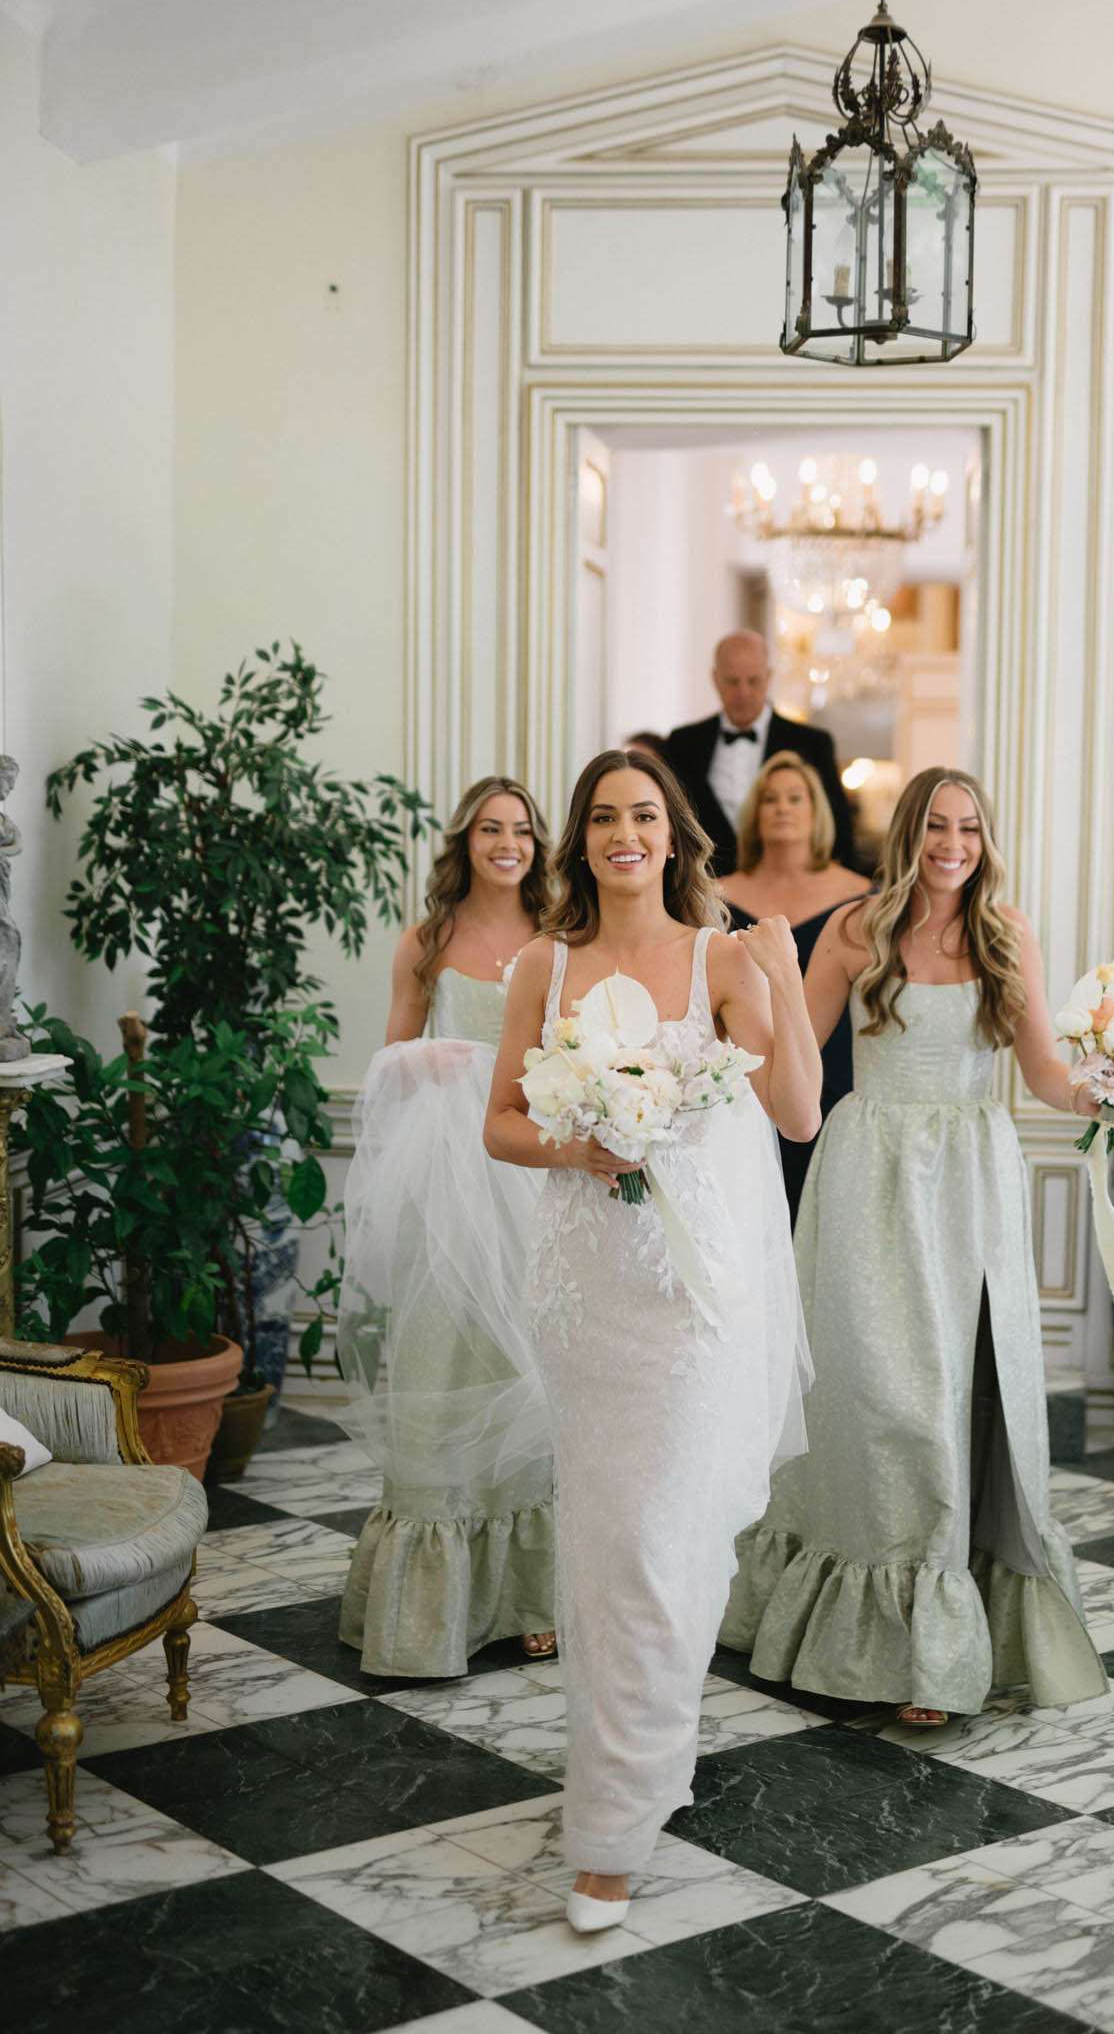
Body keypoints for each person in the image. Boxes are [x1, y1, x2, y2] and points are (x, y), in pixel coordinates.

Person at [485, 747, 820, 1934]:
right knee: (602, 1543)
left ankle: (614, 1830)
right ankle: (626, 1770)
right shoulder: (543, 962)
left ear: (674, 836)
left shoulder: (723, 956)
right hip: (588, 1302)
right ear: (579, 841)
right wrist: (583, 1143)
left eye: (645, 815)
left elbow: (796, 1112)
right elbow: (500, 1125)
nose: (625, 833)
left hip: (692, 1303)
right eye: (604, 817)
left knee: (661, 1551)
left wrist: (779, 980)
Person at [721, 767, 1111, 1727]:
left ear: (984, 838)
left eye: (969, 828)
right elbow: (793, 1062)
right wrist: (734, 1019)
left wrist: (1106, 1096)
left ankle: (939, 1629)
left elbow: (1045, 1072)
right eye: (937, 825)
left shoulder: (1005, 933)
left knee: (955, 1392)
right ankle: (880, 1629)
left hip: (973, 1178)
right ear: (909, 831)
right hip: (868, 1176)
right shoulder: (856, 929)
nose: (953, 844)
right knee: (878, 1395)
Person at [336, 778, 558, 1676]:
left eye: (522, 831)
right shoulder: (425, 943)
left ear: (539, 846)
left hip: (528, 1173)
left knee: (529, 1361)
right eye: (491, 830)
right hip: (446, 1172)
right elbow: (384, 1061)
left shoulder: (560, 938)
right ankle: (428, 1606)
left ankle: (532, 1593)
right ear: (465, 841)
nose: (507, 844)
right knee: (439, 1352)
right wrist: (423, 1055)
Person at [721, 751, 870, 1219]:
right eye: (770, 799)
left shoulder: (861, 894)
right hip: (741, 1079)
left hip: (834, 1075)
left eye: (795, 798)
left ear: (816, 812)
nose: (782, 808)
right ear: (755, 815)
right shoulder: (714, 895)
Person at [665, 631, 856, 877]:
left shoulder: (812, 743)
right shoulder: (682, 743)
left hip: (789, 885)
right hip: (701, 887)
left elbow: (838, 829)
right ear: (715, 679)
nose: (743, 692)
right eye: (732, 681)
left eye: (753, 681)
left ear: (769, 678)